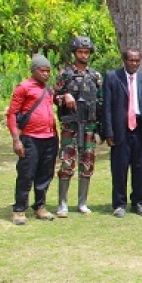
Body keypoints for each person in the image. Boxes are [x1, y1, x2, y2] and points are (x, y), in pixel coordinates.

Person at [53, 36, 102, 217]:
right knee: (67, 163)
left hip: (89, 126)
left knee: (87, 163)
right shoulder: (65, 74)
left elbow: (101, 101)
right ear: (75, 53)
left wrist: (100, 128)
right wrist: (64, 96)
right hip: (70, 126)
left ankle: (82, 203)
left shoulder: (95, 76)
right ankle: (62, 204)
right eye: (80, 52)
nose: (83, 55)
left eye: (86, 52)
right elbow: (54, 96)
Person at [7, 54, 59, 225]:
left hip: (50, 137)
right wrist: (16, 139)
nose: (46, 74)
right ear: (34, 70)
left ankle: (40, 207)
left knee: (45, 174)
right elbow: (12, 114)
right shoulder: (24, 87)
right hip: (30, 138)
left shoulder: (48, 89)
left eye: (48, 71)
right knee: (26, 174)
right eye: (42, 71)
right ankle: (19, 209)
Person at [102, 48, 142, 218]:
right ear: (124, 60)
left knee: (139, 168)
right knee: (119, 168)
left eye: (137, 60)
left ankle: (139, 202)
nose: (134, 63)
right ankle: (119, 204)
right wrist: (108, 132)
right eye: (131, 60)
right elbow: (107, 107)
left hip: (138, 128)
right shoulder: (112, 77)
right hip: (120, 128)